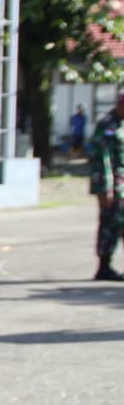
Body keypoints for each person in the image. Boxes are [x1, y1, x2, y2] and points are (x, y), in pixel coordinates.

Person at [87, 89, 124, 280]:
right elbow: (101, 158)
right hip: (113, 185)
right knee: (110, 223)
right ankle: (104, 266)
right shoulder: (107, 125)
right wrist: (105, 189)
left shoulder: (121, 124)